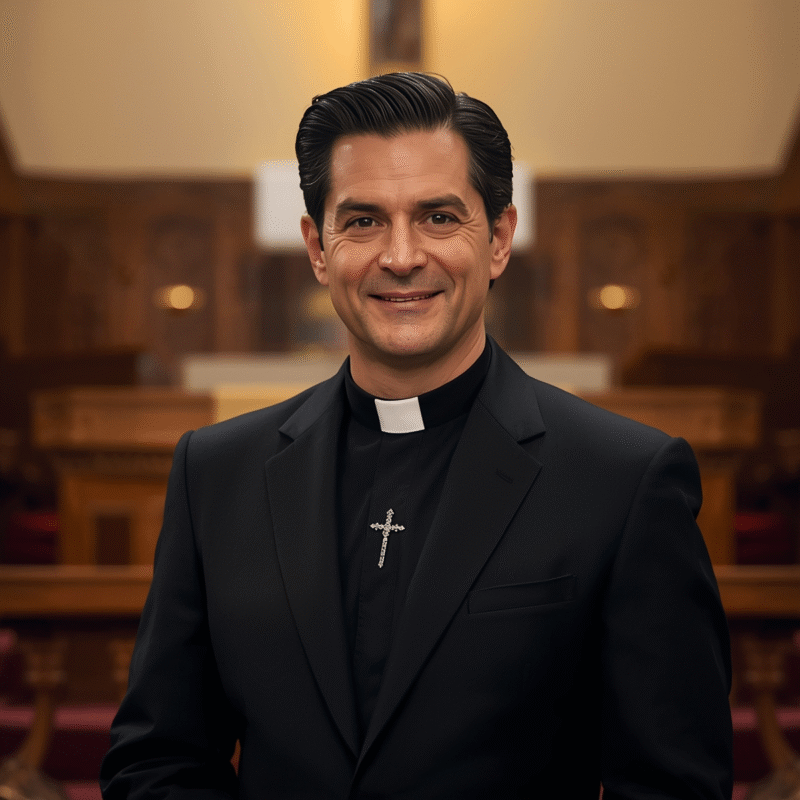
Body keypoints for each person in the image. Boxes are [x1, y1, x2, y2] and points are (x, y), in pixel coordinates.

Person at [101, 72, 732, 799]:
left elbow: (673, 787)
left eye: (438, 217)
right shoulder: (215, 474)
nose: (400, 256)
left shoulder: (623, 481)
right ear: (317, 246)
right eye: (363, 220)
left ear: (498, 239)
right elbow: (158, 760)